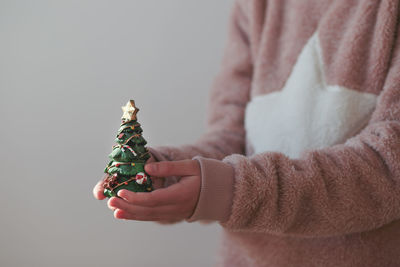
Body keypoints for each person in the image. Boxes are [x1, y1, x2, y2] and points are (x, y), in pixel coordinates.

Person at [94, 0, 400, 266]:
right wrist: (166, 173)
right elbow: (230, 138)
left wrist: (233, 190)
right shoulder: (254, 6)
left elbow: (390, 166)